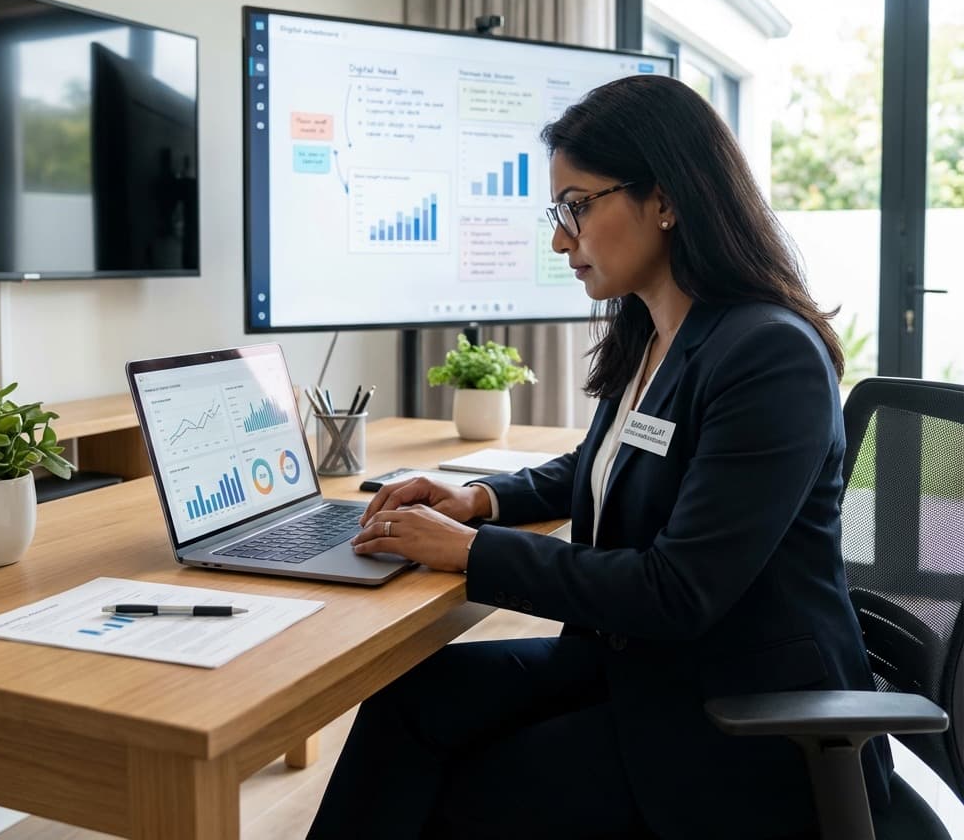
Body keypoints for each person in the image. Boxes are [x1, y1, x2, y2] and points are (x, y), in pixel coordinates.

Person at [307, 75, 892, 840]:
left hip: (743, 717)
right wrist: (481, 500)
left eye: (577, 206)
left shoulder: (768, 357)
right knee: (411, 697)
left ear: (665, 199)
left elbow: (676, 591)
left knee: (471, 791)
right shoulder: (656, 333)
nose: (561, 239)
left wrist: (472, 551)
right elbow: (607, 461)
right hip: (644, 666)